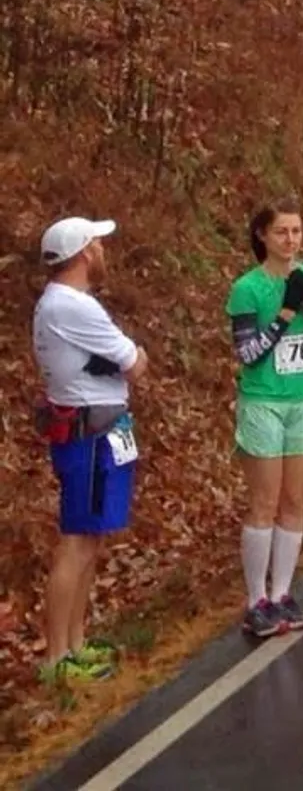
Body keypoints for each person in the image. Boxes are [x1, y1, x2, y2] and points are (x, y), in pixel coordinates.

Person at [33, 217, 147, 683]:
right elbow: (136, 364)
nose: (102, 250)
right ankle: (57, 658)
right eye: (97, 243)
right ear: (83, 253)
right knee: (76, 542)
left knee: (89, 538)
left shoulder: (62, 304)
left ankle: (75, 644)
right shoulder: (74, 307)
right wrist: (132, 358)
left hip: (96, 429)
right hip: (90, 435)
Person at [228, 200, 303, 639]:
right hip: (263, 401)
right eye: (281, 232)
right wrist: (286, 314)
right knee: (265, 502)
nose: (290, 240)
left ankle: (283, 592)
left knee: (294, 501)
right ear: (263, 237)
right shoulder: (247, 288)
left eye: (296, 232)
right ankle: (257, 601)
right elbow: (248, 353)